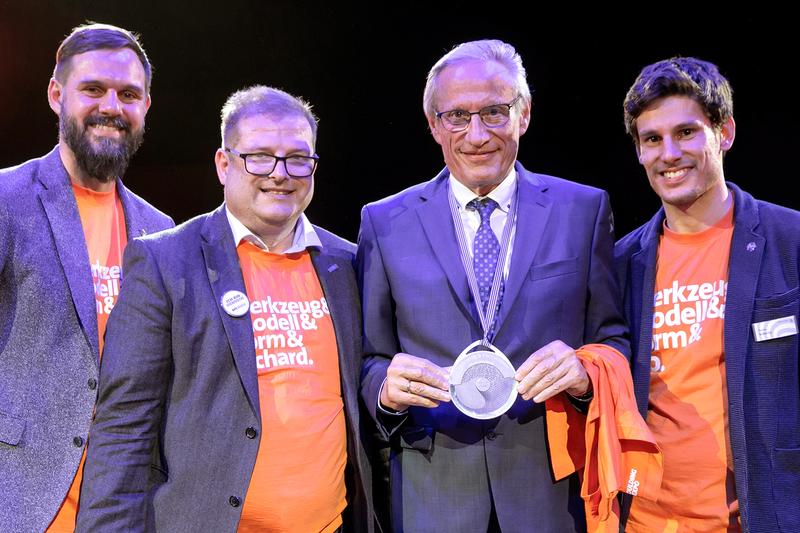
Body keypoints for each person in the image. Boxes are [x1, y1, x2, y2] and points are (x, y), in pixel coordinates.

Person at [357, 39, 629, 532]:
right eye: (457, 116)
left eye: (495, 113)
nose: (477, 135)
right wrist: (385, 390)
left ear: (523, 115)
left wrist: (584, 374)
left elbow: (612, 340)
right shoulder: (384, 222)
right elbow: (370, 359)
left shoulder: (582, 212)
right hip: (433, 494)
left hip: (550, 495)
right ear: (434, 125)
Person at [76, 86, 374, 532]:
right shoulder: (164, 262)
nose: (280, 173)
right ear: (223, 163)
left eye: (298, 158)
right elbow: (123, 427)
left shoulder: (348, 264)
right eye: (259, 156)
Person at [0, 23, 173, 532]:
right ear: (57, 95)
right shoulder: (8, 200)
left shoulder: (159, 230)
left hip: (122, 505)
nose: (111, 106)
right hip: (20, 497)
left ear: (146, 106)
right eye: (92, 89)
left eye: (128, 94)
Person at [615, 57, 800, 532]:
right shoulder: (619, 264)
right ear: (638, 151)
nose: (669, 153)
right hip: (645, 522)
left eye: (687, 132)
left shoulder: (789, 240)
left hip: (763, 518)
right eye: (652, 139)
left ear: (725, 132)